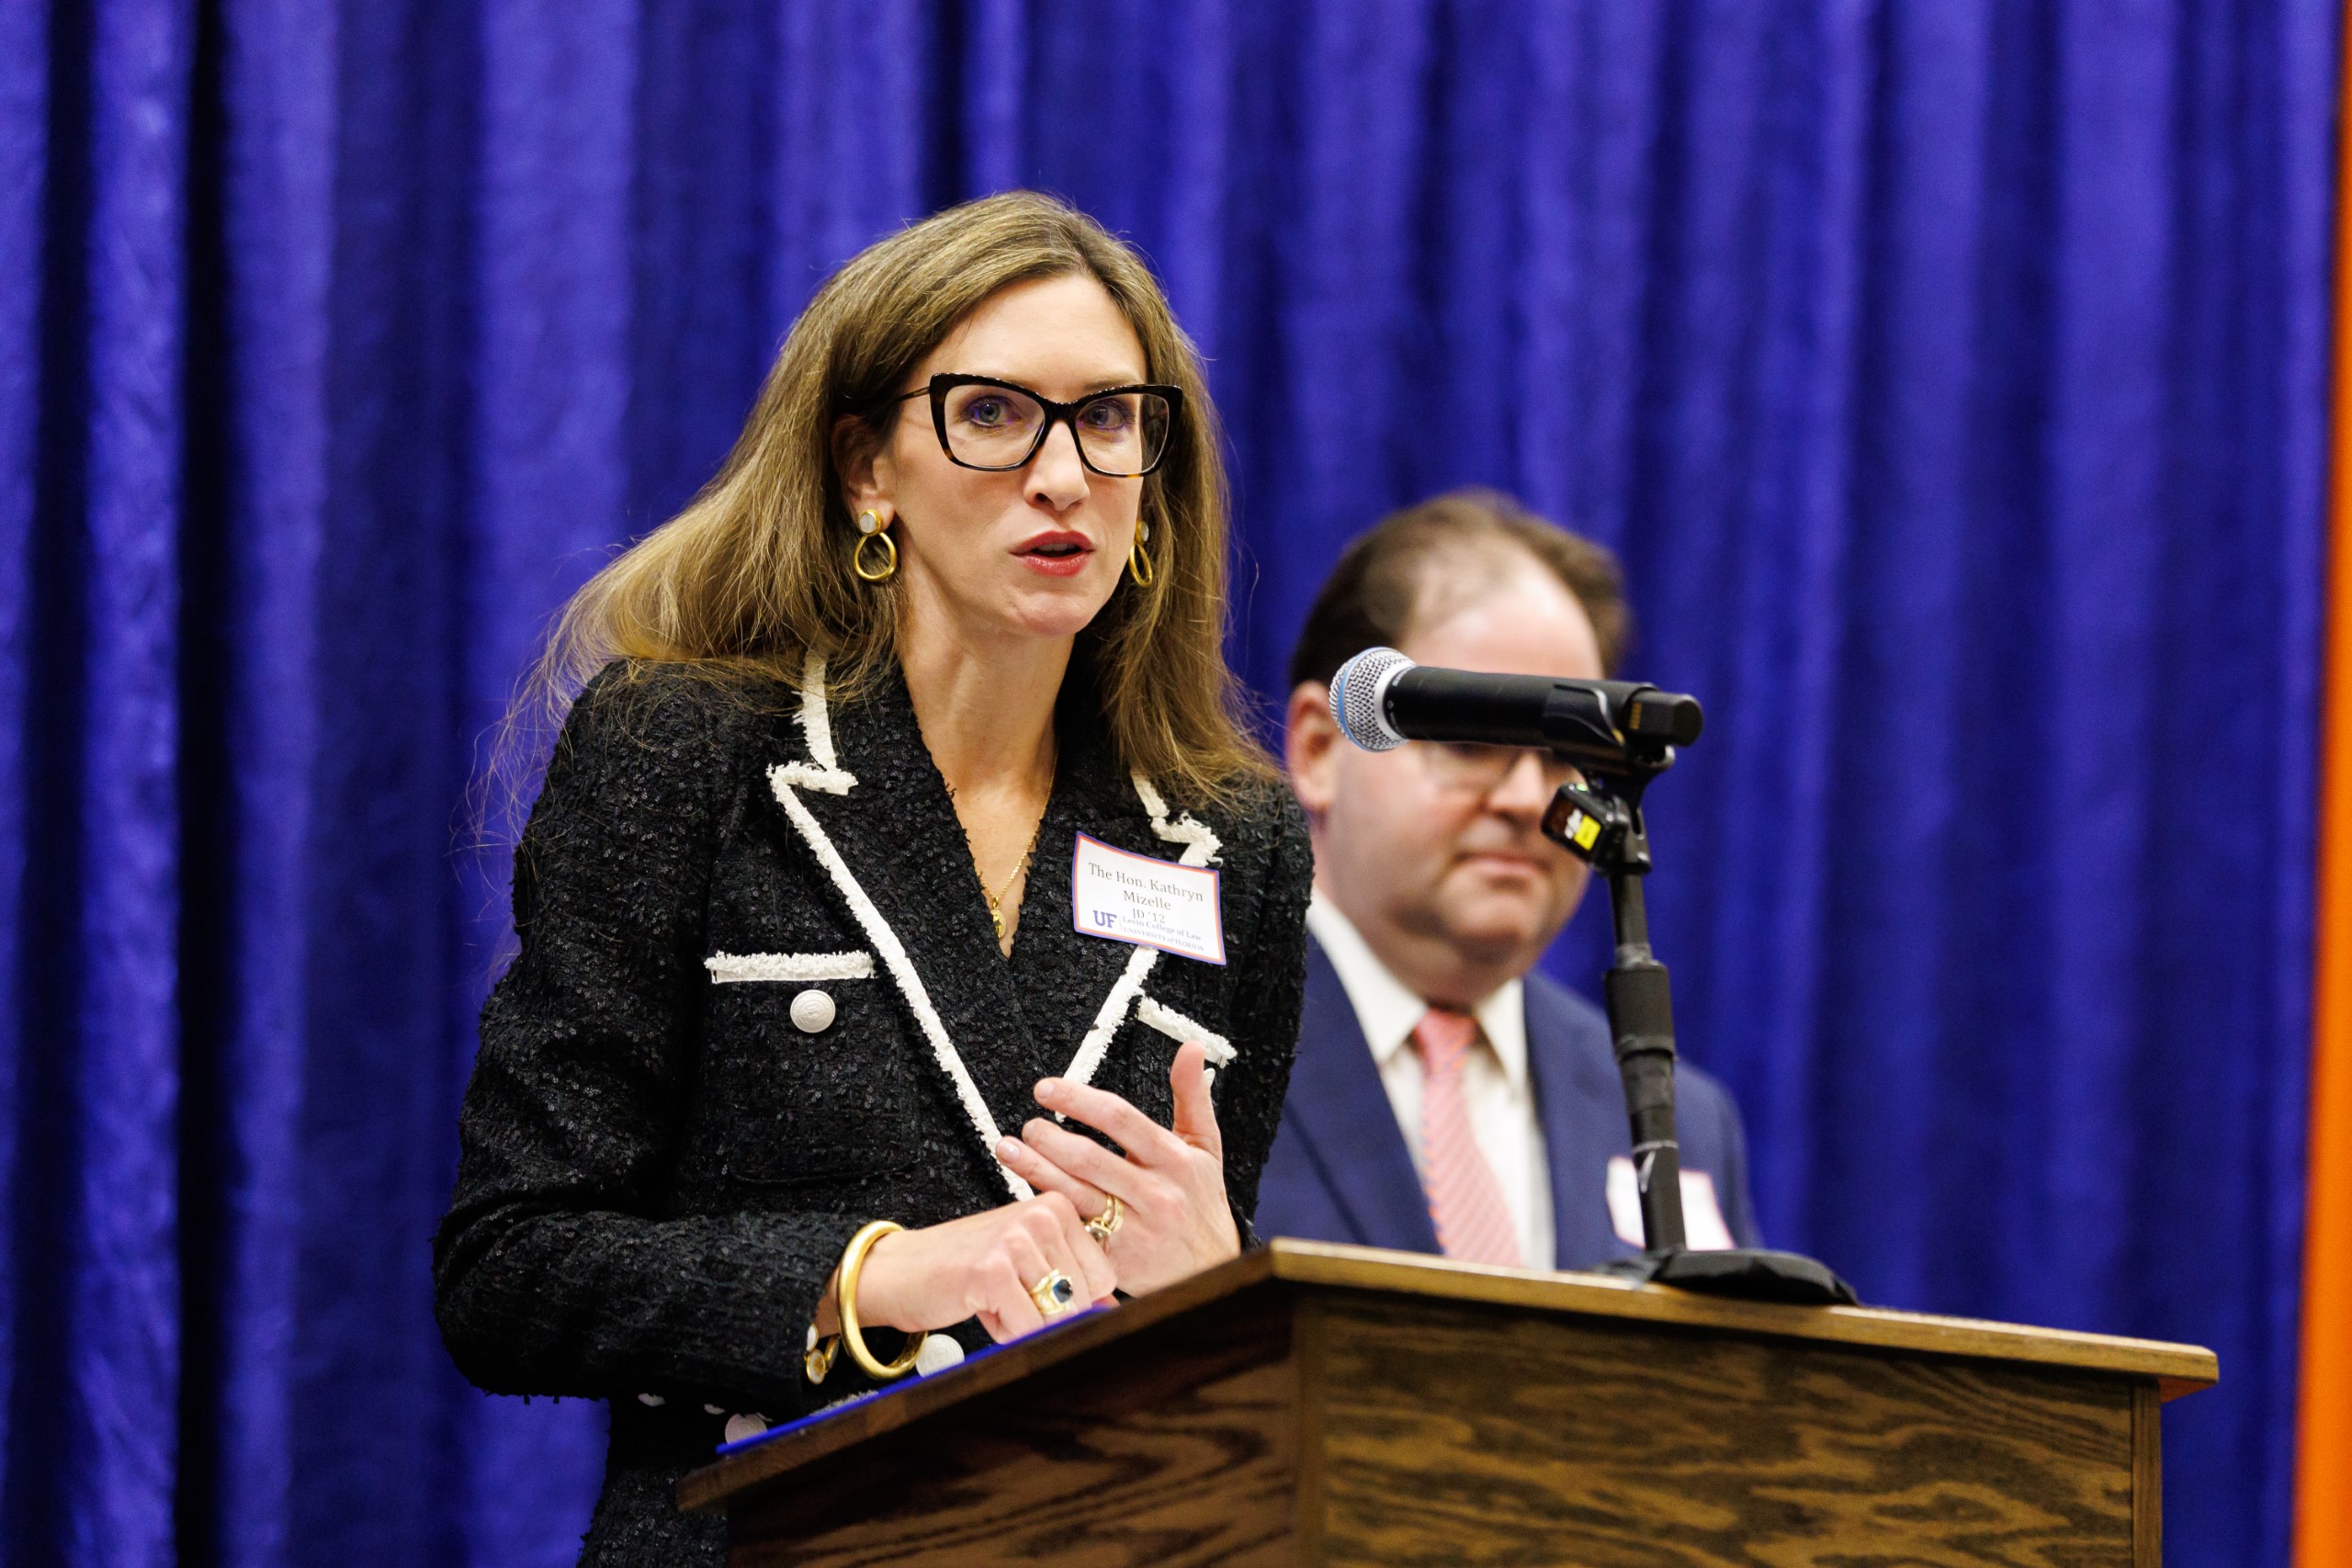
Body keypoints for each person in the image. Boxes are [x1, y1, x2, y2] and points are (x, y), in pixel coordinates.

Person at [433, 192, 1313, 1567]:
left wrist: (1216, 1290)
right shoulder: (688, 751)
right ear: (866, 469)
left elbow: (1195, 1360)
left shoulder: (1233, 841)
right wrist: (876, 1276)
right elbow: (509, 1269)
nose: (1064, 473)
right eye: (992, 412)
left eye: (1110, 417)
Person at [1254, 491, 1760, 1271]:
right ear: (1321, 748)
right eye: (1470, 742)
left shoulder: (1681, 1120)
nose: (1528, 798)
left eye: (1563, 755)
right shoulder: (1189, 1043)